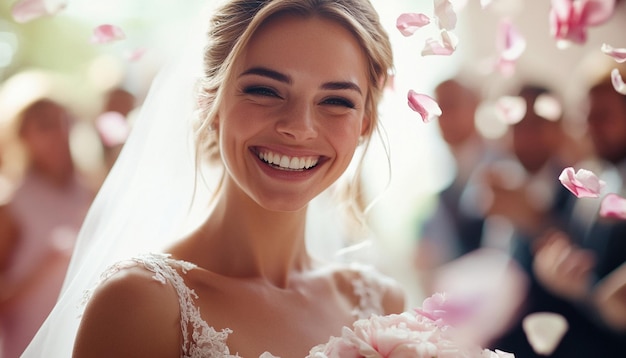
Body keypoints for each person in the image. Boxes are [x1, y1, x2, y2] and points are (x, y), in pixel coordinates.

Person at [23, 1, 405, 357]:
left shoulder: (381, 304)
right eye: (264, 90)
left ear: (364, 124)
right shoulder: (141, 302)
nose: (299, 128)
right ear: (211, 102)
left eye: (336, 101)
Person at [491, 65, 626, 357]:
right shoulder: (596, 184)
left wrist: (536, 222)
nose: (590, 128)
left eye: (603, 116)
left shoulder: (571, 191)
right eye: (587, 117)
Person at [0, 94, 94, 358]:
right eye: (45, 125)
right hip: (28, 342)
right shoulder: (11, 204)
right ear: (23, 136)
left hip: (78, 338)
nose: (59, 132)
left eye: (65, 122)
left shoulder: (89, 192)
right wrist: (43, 269)